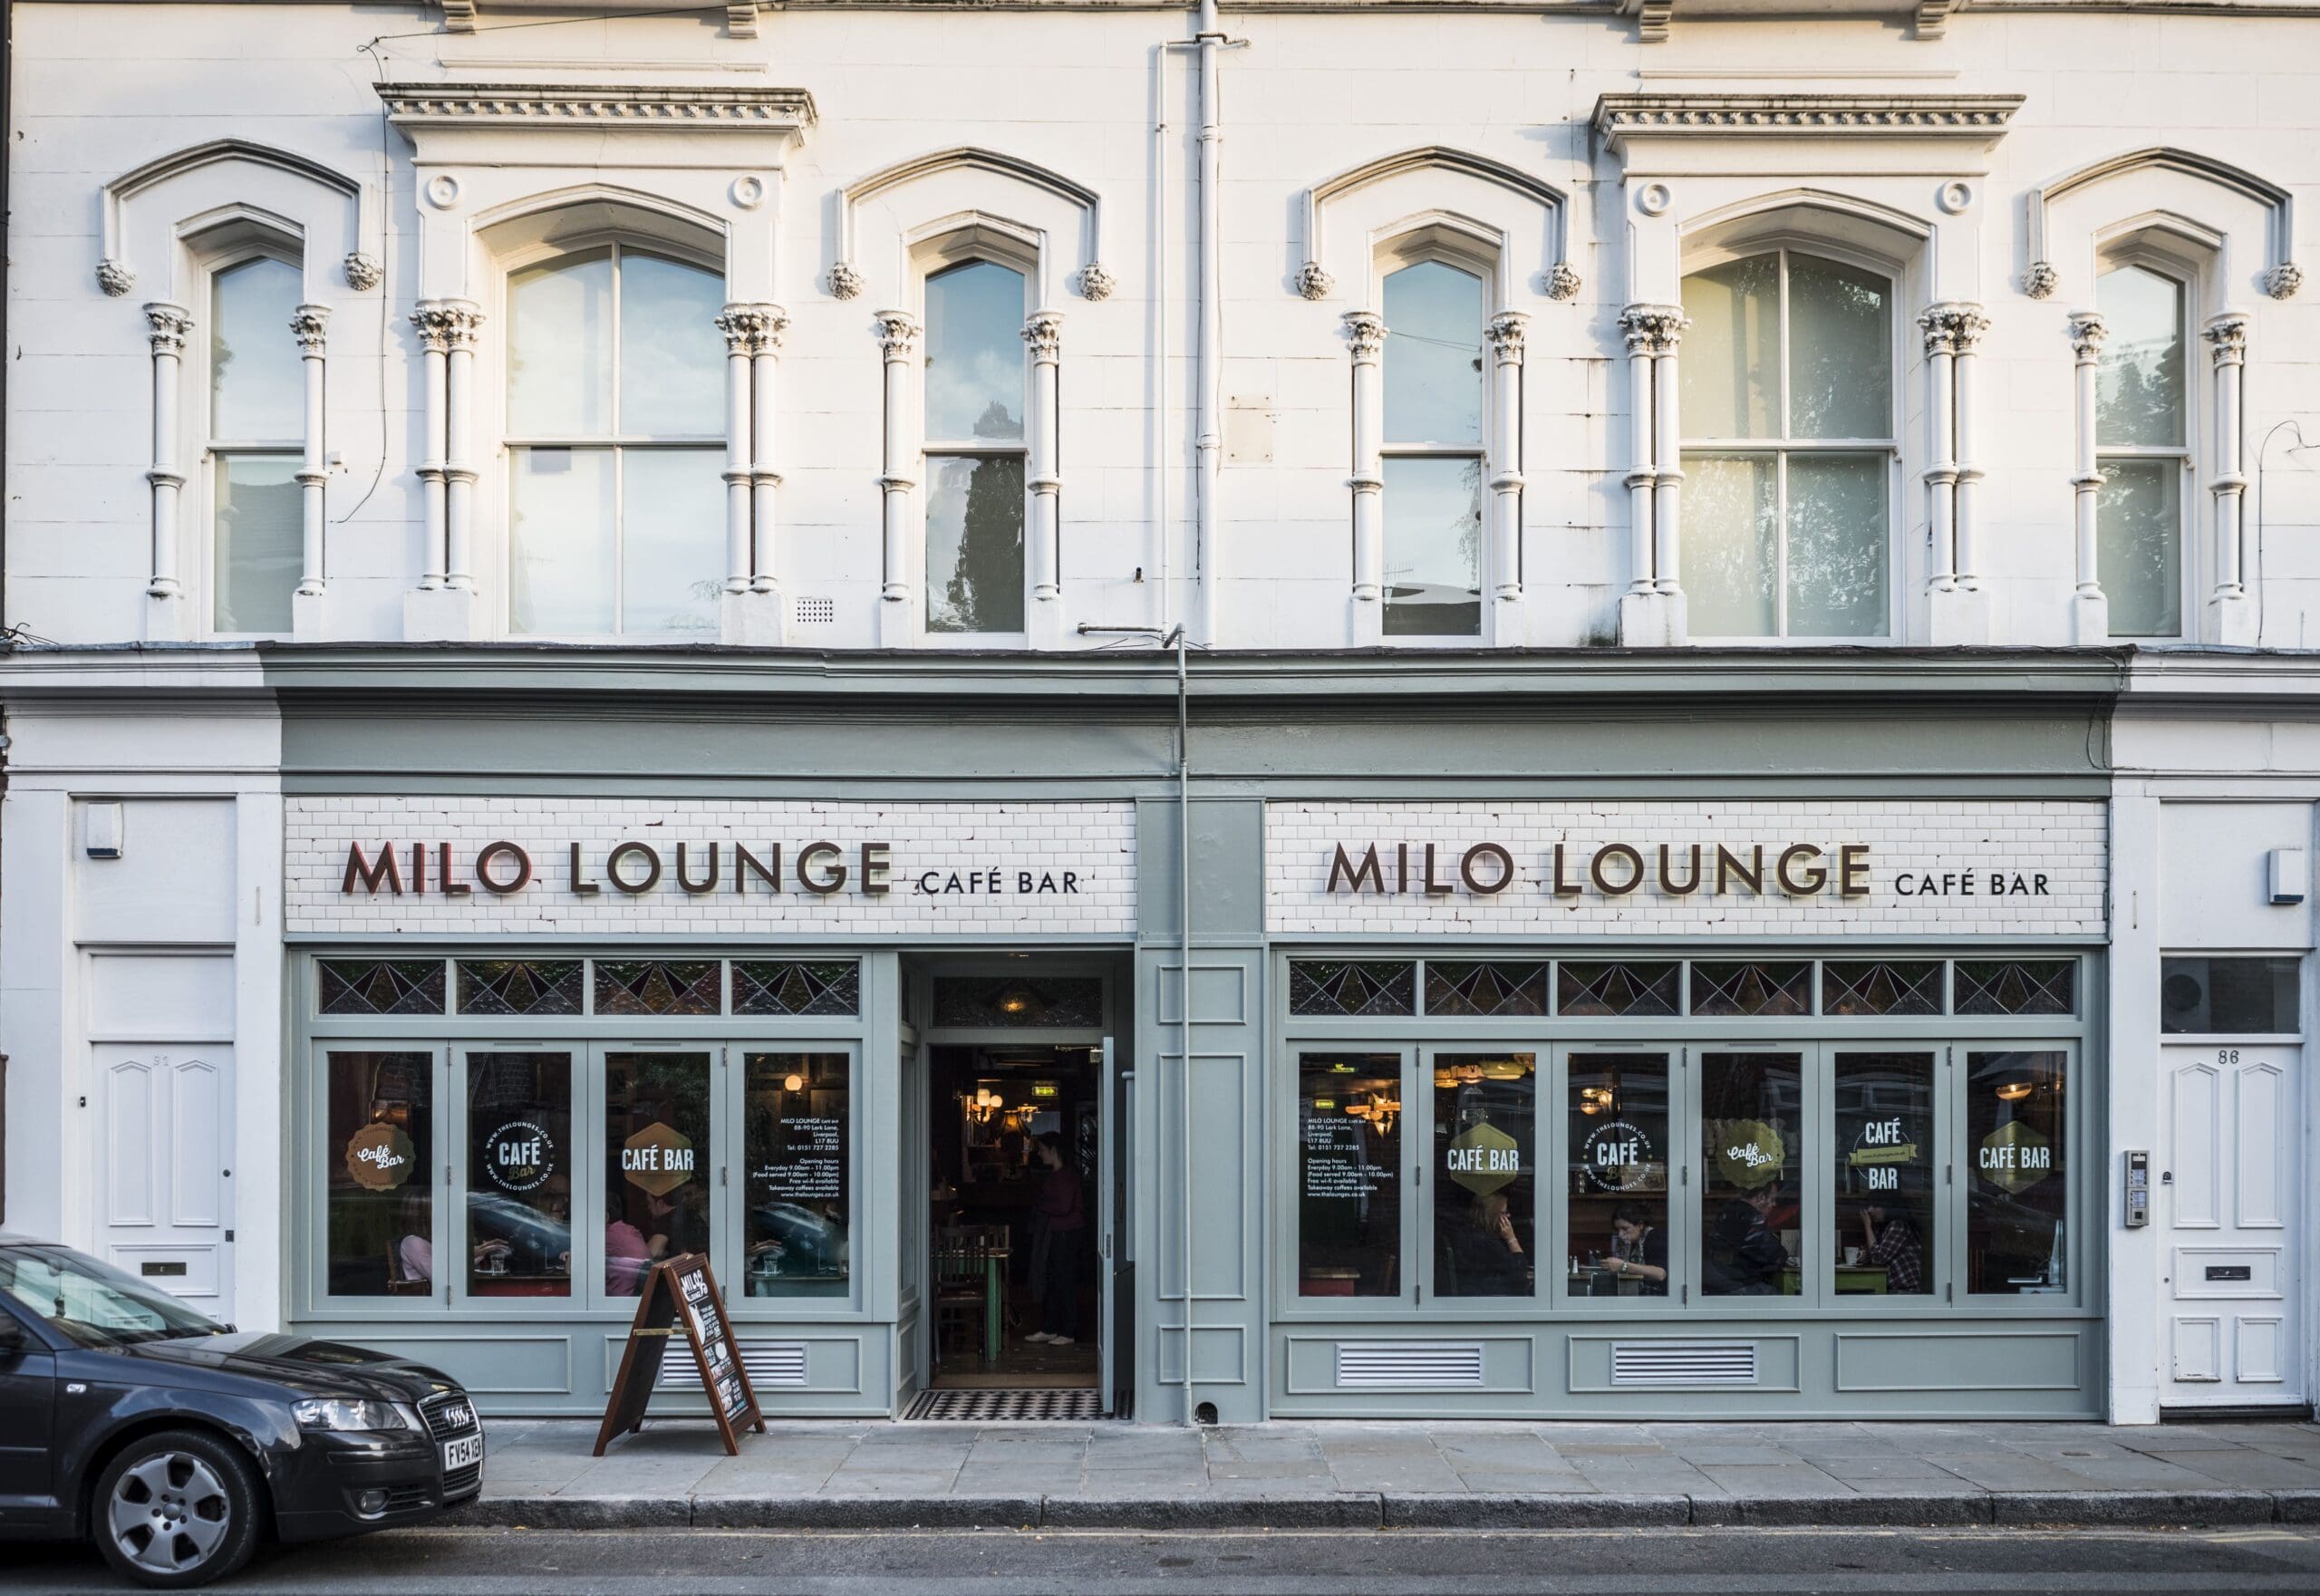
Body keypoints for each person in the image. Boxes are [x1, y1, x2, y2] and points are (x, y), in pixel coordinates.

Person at [1025, 1132, 1087, 1346]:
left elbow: (1063, 1207)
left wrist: (1041, 1204)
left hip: (1065, 1235)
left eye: (1042, 1149)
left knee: (1064, 1280)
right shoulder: (1060, 1175)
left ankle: (1068, 1331)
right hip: (1058, 1233)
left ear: (1053, 1150)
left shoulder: (1065, 1176)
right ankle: (1050, 1328)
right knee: (1052, 1280)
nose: (1039, 1154)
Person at [1704, 1182, 1790, 1295]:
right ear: (1761, 1197)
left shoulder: (1727, 1211)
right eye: (1772, 1199)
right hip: (1737, 1283)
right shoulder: (1750, 1218)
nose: (1774, 1204)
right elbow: (1775, 1254)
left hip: (1720, 1278)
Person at [1444, 1189, 1528, 1295]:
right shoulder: (1487, 1243)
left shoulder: (1467, 1234)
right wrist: (1511, 1238)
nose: (1508, 1216)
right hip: (1493, 1297)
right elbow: (1520, 1273)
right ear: (1493, 1214)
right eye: (1505, 1212)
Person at [1602, 1200, 1668, 1294]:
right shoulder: (1629, 1242)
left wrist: (1623, 1266)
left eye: (1625, 1229)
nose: (1620, 1234)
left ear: (1640, 1225)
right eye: (1618, 1229)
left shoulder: (1654, 1237)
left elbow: (1660, 1274)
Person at [1861, 1200, 1924, 1294]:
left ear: (1888, 1208)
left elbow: (1878, 1258)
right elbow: (1873, 1254)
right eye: (1869, 1206)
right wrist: (1865, 1256)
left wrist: (1867, 1226)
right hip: (1891, 1288)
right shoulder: (1882, 1228)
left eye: (1876, 1205)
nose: (1869, 1210)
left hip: (1906, 1290)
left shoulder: (1898, 1225)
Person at [604, 1194, 652, 1294]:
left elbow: (576, 1267)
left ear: (606, 1216)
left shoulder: (606, 1237)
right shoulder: (631, 1230)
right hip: (636, 1298)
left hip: (614, 1299)